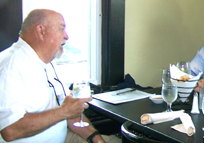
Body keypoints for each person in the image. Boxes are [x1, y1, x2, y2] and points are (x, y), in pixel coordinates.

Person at [0, 9, 119, 143]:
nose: (66, 36)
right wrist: (64, 111)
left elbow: (70, 114)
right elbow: (10, 130)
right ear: (41, 31)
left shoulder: (48, 63)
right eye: (61, 29)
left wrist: (96, 139)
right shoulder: (12, 66)